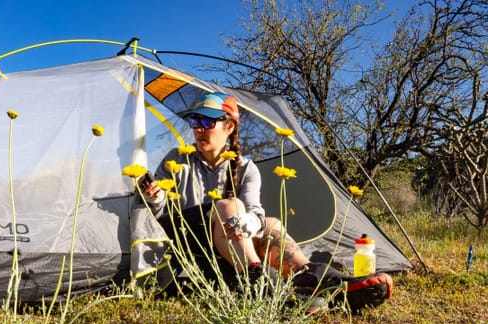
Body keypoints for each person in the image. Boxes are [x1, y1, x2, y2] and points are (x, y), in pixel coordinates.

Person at [139, 91, 393, 312]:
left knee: (271, 224)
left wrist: (249, 222)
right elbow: (160, 214)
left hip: (228, 238)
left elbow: (254, 212)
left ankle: (313, 277)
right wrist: (156, 197)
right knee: (230, 205)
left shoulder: (246, 168)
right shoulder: (178, 158)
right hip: (187, 235)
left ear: (229, 127)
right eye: (195, 120)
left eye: (207, 121)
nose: (198, 128)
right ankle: (258, 283)